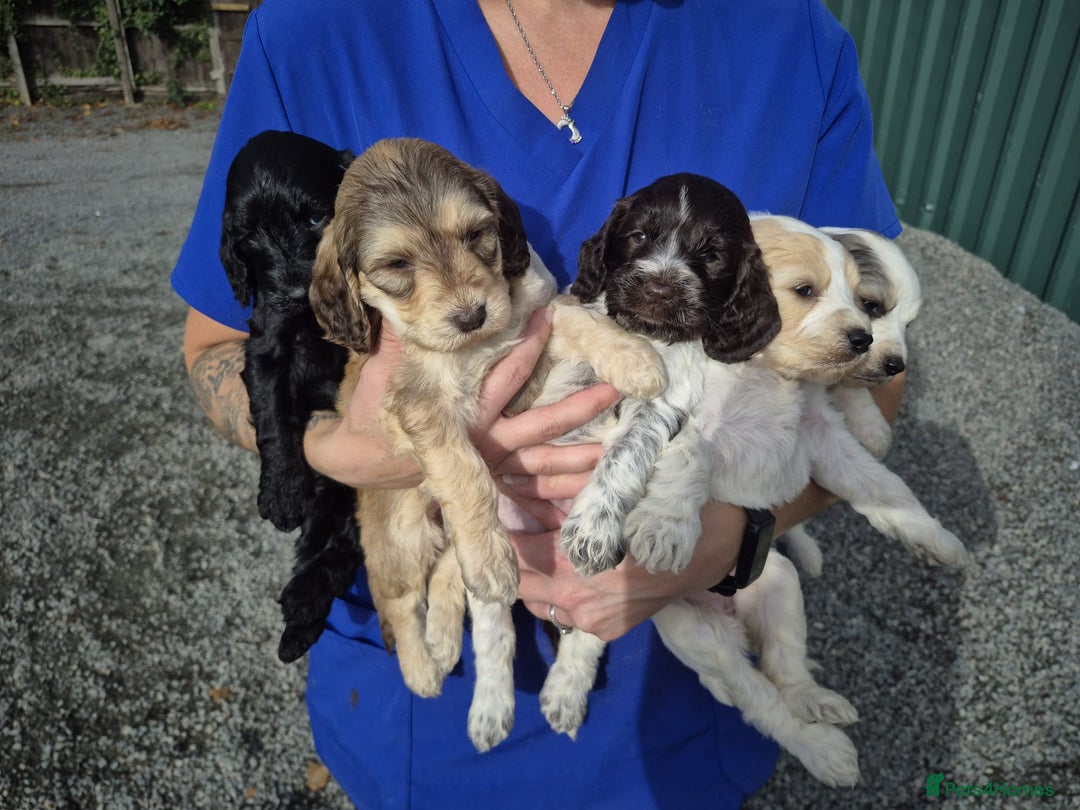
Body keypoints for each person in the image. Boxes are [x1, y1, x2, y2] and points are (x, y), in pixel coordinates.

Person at [173, 0, 903, 806]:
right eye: (399, 269)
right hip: (423, 729)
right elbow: (217, 350)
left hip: (675, 706)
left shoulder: (791, 41)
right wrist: (339, 451)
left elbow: (875, 366)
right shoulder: (313, 32)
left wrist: (733, 536)